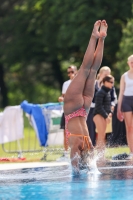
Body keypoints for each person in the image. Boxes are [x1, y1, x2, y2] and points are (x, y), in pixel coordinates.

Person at [63, 19, 108, 173]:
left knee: (92, 70)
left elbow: (89, 168)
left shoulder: (88, 146)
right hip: (74, 109)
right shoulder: (77, 144)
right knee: (86, 69)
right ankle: (95, 36)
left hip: (84, 110)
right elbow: (75, 169)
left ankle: (101, 38)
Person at [86, 66, 117, 146]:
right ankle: (90, 151)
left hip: (105, 111)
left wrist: (111, 107)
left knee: (102, 133)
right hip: (93, 109)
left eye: (108, 74)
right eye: (105, 74)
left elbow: (114, 98)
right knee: (91, 131)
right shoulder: (93, 84)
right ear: (100, 74)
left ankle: (100, 154)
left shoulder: (110, 86)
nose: (107, 76)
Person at [57, 65, 77, 160]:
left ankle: (77, 152)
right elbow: (64, 96)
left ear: (76, 72)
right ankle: (65, 153)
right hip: (66, 110)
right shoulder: (66, 84)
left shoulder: (79, 83)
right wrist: (62, 98)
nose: (70, 74)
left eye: (72, 72)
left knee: (77, 132)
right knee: (65, 132)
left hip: (76, 110)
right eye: (68, 72)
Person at [93, 75, 115, 160]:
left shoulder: (107, 92)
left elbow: (107, 106)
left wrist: (110, 113)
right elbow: (98, 106)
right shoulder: (100, 92)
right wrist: (106, 116)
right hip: (98, 115)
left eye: (113, 82)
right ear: (105, 82)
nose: (112, 84)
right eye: (111, 82)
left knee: (103, 136)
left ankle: (102, 155)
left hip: (104, 115)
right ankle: (99, 156)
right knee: (101, 136)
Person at [117, 55, 133, 160]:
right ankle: (132, 151)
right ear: (128, 63)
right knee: (129, 128)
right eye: (131, 62)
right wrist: (119, 108)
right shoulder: (124, 76)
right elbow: (121, 92)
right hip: (127, 101)